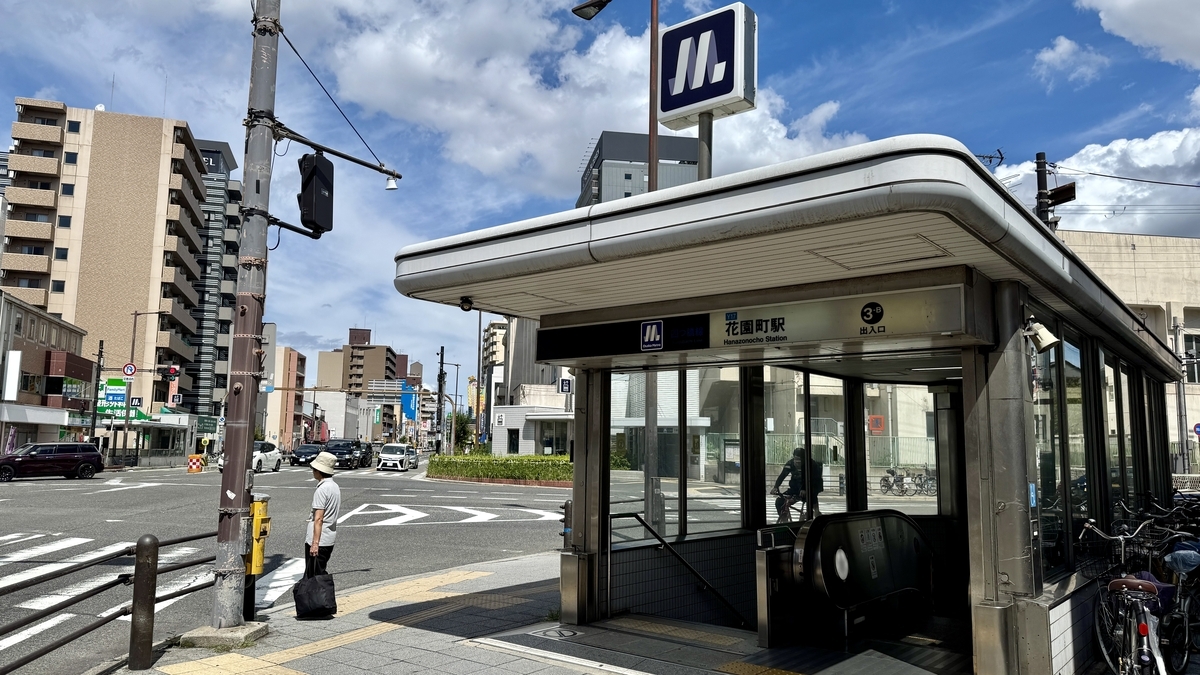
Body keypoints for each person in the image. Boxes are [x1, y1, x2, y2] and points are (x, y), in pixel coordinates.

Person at [305, 452, 341, 577]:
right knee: (318, 576)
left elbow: (319, 518)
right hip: (328, 538)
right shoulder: (334, 486)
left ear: (319, 471)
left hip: (319, 540)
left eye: (314, 469)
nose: (313, 471)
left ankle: (320, 597)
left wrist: (315, 544)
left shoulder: (322, 489)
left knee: (313, 579)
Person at [771, 447, 823, 521]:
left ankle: (816, 512)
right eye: (795, 459)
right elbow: (782, 475)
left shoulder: (812, 464)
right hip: (795, 488)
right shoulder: (790, 463)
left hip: (811, 487)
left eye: (799, 460)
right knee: (779, 501)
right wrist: (776, 487)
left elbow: (814, 480)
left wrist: (805, 488)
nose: (797, 463)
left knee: (811, 497)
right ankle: (784, 519)